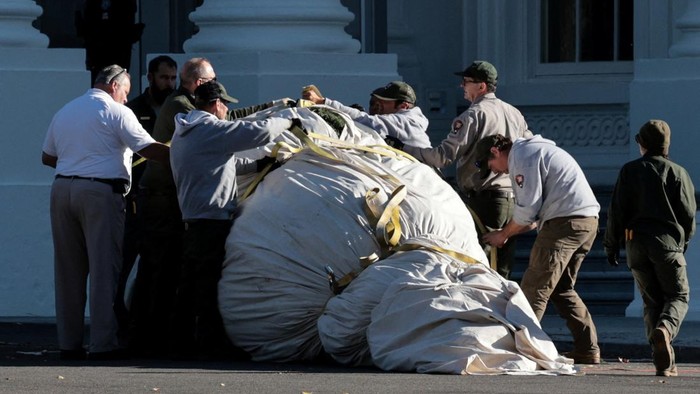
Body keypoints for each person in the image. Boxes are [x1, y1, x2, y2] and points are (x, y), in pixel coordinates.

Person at [136, 57, 290, 357]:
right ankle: (211, 344)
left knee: (189, 285)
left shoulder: (187, 132)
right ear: (215, 104)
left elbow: (228, 164)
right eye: (225, 105)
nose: (228, 110)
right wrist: (290, 117)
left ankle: (179, 342)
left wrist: (266, 164)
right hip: (211, 221)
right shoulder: (210, 130)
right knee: (208, 286)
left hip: (194, 219)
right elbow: (260, 133)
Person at [41, 64, 169, 361]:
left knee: (68, 272)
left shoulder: (66, 110)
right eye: (125, 91)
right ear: (114, 86)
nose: (126, 98)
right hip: (99, 193)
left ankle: (69, 344)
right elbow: (146, 148)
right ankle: (102, 343)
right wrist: (185, 156)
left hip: (62, 191)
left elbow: (47, 156)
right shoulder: (117, 111)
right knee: (103, 269)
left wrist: (76, 162)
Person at [398, 61, 532, 279]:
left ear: (481, 87)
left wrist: (405, 148)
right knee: (502, 270)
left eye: (466, 82)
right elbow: (528, 150)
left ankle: (485, 310)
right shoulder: (514, 112)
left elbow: (442, 157)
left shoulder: (473, 115)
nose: (462, 86)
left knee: (480, 266)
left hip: (484, 200)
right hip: (513, 198)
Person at [478, 134, 601, 365]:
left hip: (564, 222)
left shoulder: (522, 156)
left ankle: (523, 350)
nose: (498, 173)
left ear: (495, 151)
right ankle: (587, 348)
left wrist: (503, 234)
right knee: (561, 288)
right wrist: (507, 232)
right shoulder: (535, 152)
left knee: (534, 287)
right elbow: (532, 219)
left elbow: (527, 211)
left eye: (492, 167)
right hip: (586, 220)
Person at [603, 120, 695, 377]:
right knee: (678, 297)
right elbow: (688, 216)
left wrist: (612, 246)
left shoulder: (629, 171)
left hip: (636, 244)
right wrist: (681, 244)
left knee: (651, 301)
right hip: (667, 244)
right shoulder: (678, 173)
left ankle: (664, 363)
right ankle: (665, 330)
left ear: (642, 144)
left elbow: (617, 211)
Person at [117, 55, 177, 350]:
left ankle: (152, 328)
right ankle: (123, 324)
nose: (169, 84)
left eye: (173, 78)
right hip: (136, 199)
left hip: (165, 199)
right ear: (150, 77)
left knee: (156, 265)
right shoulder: (133, 110)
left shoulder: (179, 108)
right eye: (164, 78)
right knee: (126, 262)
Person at [301, 81, 431, 148]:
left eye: (380, 105)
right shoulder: (403, 121)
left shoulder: (406, 122)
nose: (374, 109)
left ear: (403, 106)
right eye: (373, 104)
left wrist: (322, 102)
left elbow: (368, 121)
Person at [75, 0, 144, 85]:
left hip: (119, 48)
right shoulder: (92, 3)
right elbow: (84, 22)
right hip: (96, 49)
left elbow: (127, 22)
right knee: (97, 83)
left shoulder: (126, 3)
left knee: (117, 82)